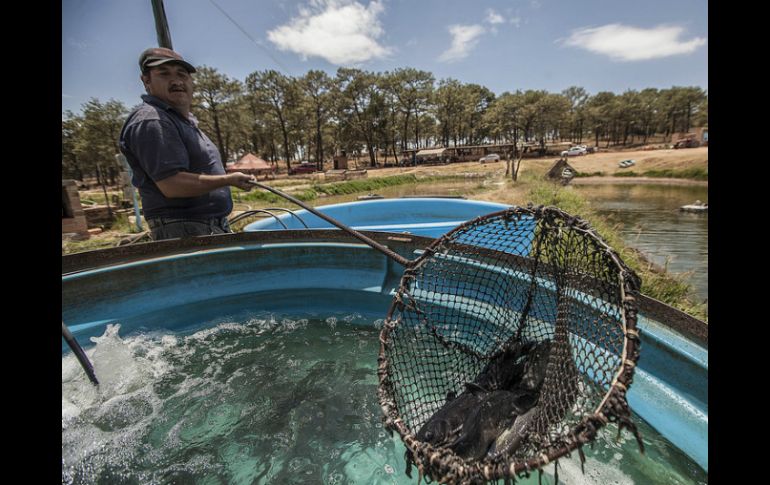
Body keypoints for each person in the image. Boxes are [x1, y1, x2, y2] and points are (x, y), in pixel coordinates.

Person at [119, 47, 256, 240]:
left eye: (182, 75)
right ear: (146, 80)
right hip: (184, 230)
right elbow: (172, 184)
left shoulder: (181, 121)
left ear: (191, 82)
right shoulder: (153, 120)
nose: (176, 81)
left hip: (201, 227)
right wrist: (228, 180)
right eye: (164, 74)